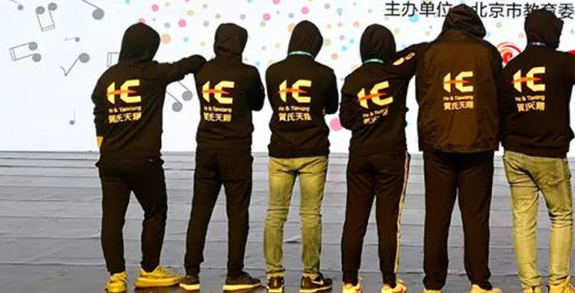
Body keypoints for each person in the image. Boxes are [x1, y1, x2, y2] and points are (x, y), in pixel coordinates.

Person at [499, 9, 575, 293]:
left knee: (523, 221)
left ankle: (530, 287)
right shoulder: (561, 62)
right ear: (549, 32)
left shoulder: (511, 68)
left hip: (514, 154)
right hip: (549, 154)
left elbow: (500, 111)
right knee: (561, 216)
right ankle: (559, 283)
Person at [93, 23, 205, 293]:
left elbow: (99, 113)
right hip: (144, 160)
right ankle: (150, 270)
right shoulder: (153, 73)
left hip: (110, 160)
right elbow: (190, 64)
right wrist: (205, 60)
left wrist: (104, 146)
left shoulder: (107, 77)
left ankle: (116, 277)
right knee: (155, 211)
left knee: (112, 219)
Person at [415, 4, 504, 293]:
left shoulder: (430, 52)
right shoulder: (488, 52)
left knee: (436, 217)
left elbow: (421, 95)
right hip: (477, 144)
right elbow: (499, 96)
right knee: (476, 217)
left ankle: (433, 284)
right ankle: (479, 282)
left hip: (437, 144)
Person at [180, 23, 266, 292]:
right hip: (236, 151)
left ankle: (191, 274)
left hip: (206, 149)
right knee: (237, 214)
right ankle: (234, 274)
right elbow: (258, 103)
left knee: (199, 212)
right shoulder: (248, 73)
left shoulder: (202, 71)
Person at [338, 25, 423, 293]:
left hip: (359, 155)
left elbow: (346, 121)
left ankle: (349, 281)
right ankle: (389, 282)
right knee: (388, 220)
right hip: (391, 156)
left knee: (354, 219)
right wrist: (394, 58)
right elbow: (420, 51)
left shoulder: (352, 79)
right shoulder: (396, 72)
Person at [263, 20, 338, 293]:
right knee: (310, 214)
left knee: (275, 213)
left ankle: (274, 277)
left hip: (280, 151)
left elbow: (274, 104)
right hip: (313, 152)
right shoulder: (325, 73)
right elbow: (332, 106)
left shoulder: (272, 71)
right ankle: (310, 277)